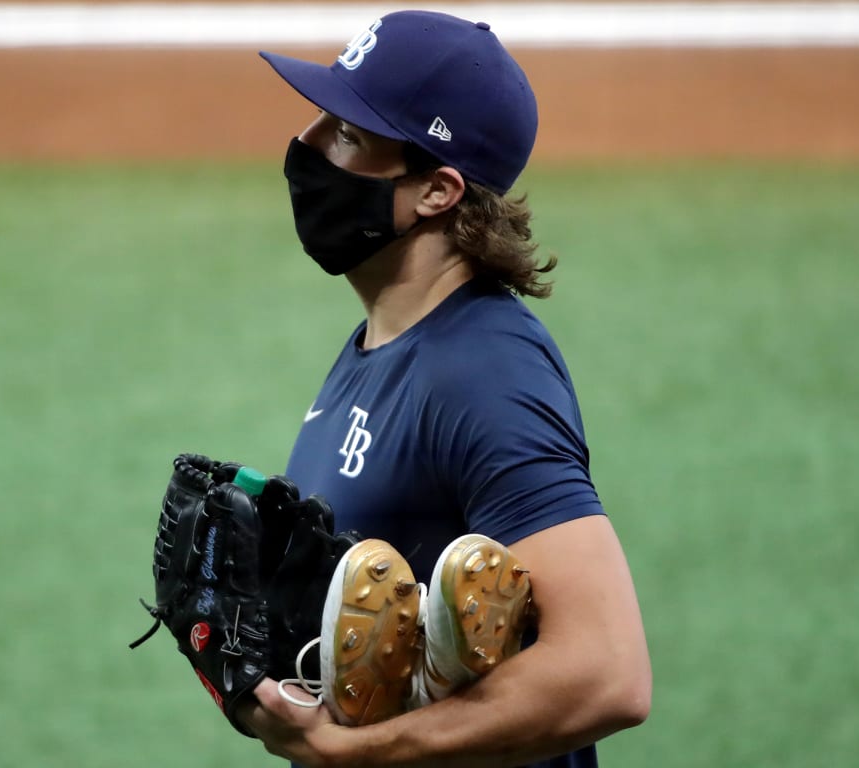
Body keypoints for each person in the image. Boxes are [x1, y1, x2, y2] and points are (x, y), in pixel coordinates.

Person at [239, 10, 652, 767]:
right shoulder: (385, 341)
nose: (307, 148)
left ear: (437, 190)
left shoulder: (484, 373)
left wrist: (360, 755)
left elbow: (609, 672)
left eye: (349, 135)